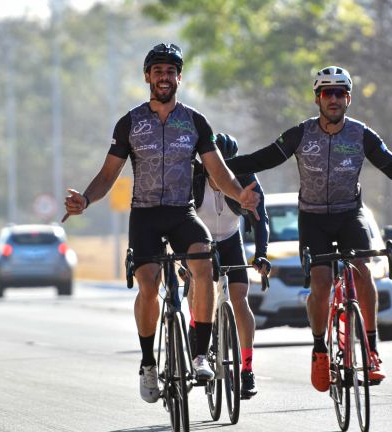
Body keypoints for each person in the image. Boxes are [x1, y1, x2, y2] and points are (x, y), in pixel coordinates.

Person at [226, 66, 392, 392]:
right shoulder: (300, 134)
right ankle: (320, 348)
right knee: (320, 281)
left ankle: (372, 351)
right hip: (314, 218)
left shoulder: (362, 135)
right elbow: (258, 160)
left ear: (348, 98)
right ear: (317, 98)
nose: (333, 99)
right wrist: (207, 165)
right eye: (326, 93)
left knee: (363, 269)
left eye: (339, 93)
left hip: (351, 215)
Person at [62, 43, 260, 403]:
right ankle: (149, 363)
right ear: (147, 77)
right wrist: (86, 200)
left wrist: (240, 194)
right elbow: (108, 174)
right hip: (146, 214)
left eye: (170, 71)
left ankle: (200, 355)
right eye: (158, 71)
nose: (164, 77)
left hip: (182, 212)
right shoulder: (131, 123)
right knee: (149, 285)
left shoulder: (195, 122)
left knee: (204, 266)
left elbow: (218, 171)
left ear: (179, 77)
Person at [187, 133, 270, 399]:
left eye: (230, 167)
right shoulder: (193, 179)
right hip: (200, 241)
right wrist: (180, 259)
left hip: (231, 241)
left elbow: (261, 218)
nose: (224, 173)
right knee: (197, 286)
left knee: (240, 298)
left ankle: (247, 369)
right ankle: (196, 329)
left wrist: (261, 254)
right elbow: (177, 221)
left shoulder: (245, 178)